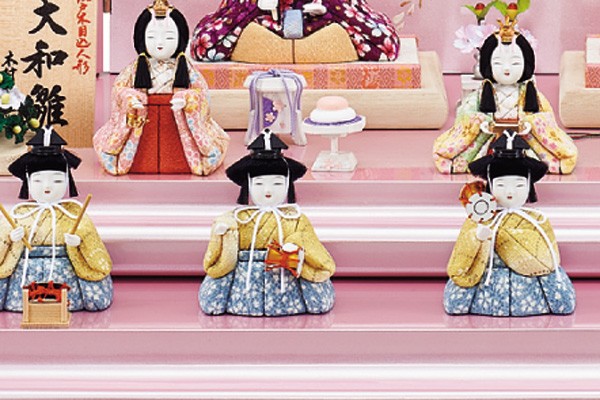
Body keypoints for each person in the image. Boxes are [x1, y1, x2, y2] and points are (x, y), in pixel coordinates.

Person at [199, 130, 335, 316]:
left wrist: (295, 243)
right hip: (245, 281)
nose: (268, 191)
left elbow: (311, 245)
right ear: (248, 186)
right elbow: (223, 253)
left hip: (285, 276)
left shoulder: (295, 218)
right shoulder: (239, 218)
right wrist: (226, 234)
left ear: (287, 185)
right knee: (213, 302)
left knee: (319, 303)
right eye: (259, 184)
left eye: (277, 184)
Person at [443, 132, 576, 317]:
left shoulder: (537, 220)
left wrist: (505, 237)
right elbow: (461, 258)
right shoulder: (480, 219)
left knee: (562, 302)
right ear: (490, 186)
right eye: (501, 185)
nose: (510, 192)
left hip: (529, 287)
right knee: (456, 303)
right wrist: (477, 238)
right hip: (487, 285)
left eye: (519, 185)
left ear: (529, 187)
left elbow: (548, 260)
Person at [94, 0, 229, 176]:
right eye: (151, 37)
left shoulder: (186, 69)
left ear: (180, 38)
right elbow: (119, 90)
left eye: (169, 37)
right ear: (141, 38)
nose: (160, 43)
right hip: (144, 121)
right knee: (143, 155)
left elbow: (201, 93)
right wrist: (129, 98)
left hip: (176, 121)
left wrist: (188, 100)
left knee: (176, 155)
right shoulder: (134, 69)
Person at [433, 16, 577, 175]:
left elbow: (546, 118)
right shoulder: (481, 93)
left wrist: (531, 123)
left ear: (526, 64)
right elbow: (466, 114)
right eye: (498, 63)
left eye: (515, 63)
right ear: (488, 65)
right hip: (490, 139)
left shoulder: (530, 93)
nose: (506, 69)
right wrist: (481, 122)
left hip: (523, 139)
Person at [0, 127, 113, 312]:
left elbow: (97, 255)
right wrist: (12, 240)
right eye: (38, 181)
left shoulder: (74, 214)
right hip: (25, 274)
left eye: (57, 181)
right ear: (28, 182)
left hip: (66, 274)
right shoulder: (19, 214)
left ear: (68, 181)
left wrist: (79, 244)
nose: (47, 187)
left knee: (94, 300)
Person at [191, 0, 399, 63]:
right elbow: (204, 45)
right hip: (265, 23)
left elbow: (385, 46)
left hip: (322, 22)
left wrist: (329, 9)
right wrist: (254, 7)